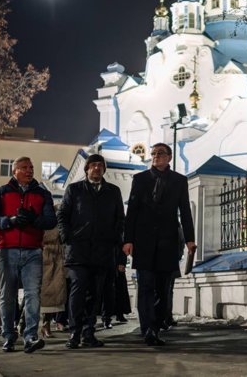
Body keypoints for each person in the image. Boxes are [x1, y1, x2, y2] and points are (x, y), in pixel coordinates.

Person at [123, 142, 195, 347]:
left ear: (169, 157)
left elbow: (185, 211)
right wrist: (128, 240)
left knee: (163, 289)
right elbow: (133, 211)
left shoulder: (179, 181)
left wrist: (190, 239)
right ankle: (149, 329)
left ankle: (157, 322)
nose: (155, 156)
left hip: (168, 242)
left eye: (160, 153)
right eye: (153, 153)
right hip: (143, 242)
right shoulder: (140, 179)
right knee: (145, 286)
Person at [0, 156, 56, 354]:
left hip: (33, 251)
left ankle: (30, 336)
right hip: (8, 251)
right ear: (14, 171)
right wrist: (10, 221)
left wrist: (33, 219)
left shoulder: (43, 194)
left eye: (31, 167)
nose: (29, 170)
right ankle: (8, 336)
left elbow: (51, 221)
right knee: (8, 296)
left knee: (33, 294)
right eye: (24, 167)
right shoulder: (0, 192)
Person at [58, 154, 125, 349]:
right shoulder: (75, 189)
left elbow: (120, 218)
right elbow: (63, 214)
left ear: (104, 169)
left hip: (102, 250)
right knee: (78, 291)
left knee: (95, 294)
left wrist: (114, 239)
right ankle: (74, 333)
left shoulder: (113, 191)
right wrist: (66, 236)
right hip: (78, 250)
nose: (96, 168)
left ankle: (89, 333)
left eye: (100, 165)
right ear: (86, 169)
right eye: (93, 165)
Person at [39, 227, 66, 338]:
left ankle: (47, 324)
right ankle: (24, 321)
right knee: (37, 293)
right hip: (42, 255)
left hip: (57, 256)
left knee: (54, 295)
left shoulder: (57, 215)